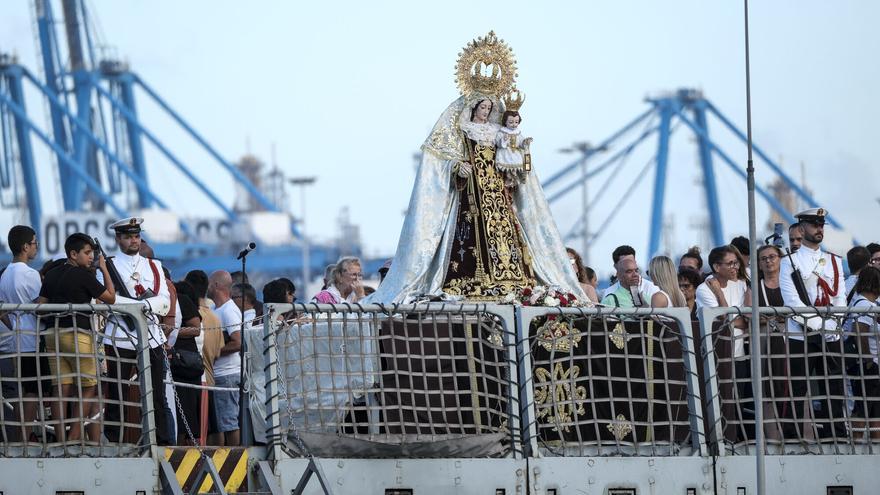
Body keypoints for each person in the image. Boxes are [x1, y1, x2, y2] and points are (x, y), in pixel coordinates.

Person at [367, 32, 583, 304]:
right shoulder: (463, 129)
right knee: (471, 234)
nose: (486, 111)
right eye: (483, 106)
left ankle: (513, 279)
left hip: (497, 190)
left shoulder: (497, 132)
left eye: (490, 107)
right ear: (474, 107)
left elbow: (507, 155)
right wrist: (457, 167)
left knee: (507, 231)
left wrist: (514, 164)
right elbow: (444, 160)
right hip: (472, 192)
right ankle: (470, 279)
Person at [100, 216, 173, 445]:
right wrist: (136, 306)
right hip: (120, 335)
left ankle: (160, 441)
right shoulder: (108, 265)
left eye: (137, 236)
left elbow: (165, 301)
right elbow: (106, 300)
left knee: (156, 393)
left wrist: (139, 305)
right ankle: (115, 441)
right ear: (118, 238)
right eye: (128, 236)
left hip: (151, 336)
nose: (134, 240)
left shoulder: (154, 266)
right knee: (117, 393)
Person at [38, 233, 115, 442]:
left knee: (60, 389)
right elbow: (110, 297)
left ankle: (61, 441)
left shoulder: (52, 274)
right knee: (89, 387)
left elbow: (40, 305)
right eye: (87, 253)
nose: (91, 257)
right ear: (74, 254)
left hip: (52, 335)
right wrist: (104, 269)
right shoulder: (84, 276)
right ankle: (73, 439)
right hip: (78, 335)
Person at [779, 208, 847, 439]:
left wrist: (832, 325)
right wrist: (821, 326)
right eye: (814, 225)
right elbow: (792, 301)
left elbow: (840, 297)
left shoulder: (834, 261)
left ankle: (835, 435)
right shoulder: (789, 262)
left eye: (821, 225)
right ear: (801, 228)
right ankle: (793, 437)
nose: (819, 229)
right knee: (797, 389)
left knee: (833, 387)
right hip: (801, 334)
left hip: (831, 333)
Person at [0, 225, 48, 442]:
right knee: (32, 391)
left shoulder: (5, 273)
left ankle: (18, 438)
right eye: (34, 243)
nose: (36, 247)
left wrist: (12, 324)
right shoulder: (30, 274)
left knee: (19, 392)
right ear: (25, 246)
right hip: (31, 339)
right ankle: (24, 437)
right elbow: (41, 305)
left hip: (13, 339)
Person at [184, 269, 223, 445]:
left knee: (193, 435)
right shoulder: (215, 318)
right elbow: (218, 352)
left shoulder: (190, 316)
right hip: (210, 378)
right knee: (213, 429)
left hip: (194, 380)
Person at [843, 266, 880, 440]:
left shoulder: (866, 304)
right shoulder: (865, 305)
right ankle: (856, 444)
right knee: (863, 408)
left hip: (869, 365)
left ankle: (875, 445)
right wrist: (868, 361)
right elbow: (860, 332)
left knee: (874, 410)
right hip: (867, 366)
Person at [208, 270, 242, 446]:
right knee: (219, 425)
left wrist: (214, 352)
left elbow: (237, 342)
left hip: (227, 374)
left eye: (209, 283)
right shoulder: (216, 310)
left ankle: (234, 458)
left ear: (216, 285)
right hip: (219, 375)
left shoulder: (229, 310)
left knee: (228, 422)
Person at [170, 280, 202, 445]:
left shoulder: (181, 300)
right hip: (168, 362)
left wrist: (169, 332)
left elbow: (196, 329)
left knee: (186, 411)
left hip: (184, 364)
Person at [494, 93, 533, 183]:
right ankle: (508, 177)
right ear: (505, 121)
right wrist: (504, 140)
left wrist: (525, 142)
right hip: (505, 153)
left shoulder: (518, 132)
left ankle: (516, 176)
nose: (514, 125)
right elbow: (498, 143)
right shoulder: (502, 132)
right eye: (511, 122)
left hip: (515, 153)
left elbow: (520, 142)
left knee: (517, 163)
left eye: (516, 122)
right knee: (507, 167)